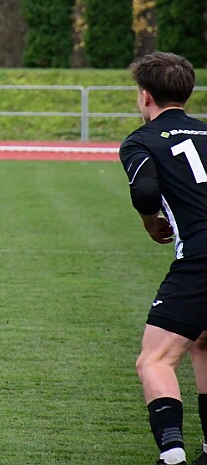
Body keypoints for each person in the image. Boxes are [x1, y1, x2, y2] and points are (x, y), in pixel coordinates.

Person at [119, 51, 207, 465]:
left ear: (146, 96)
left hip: (200, 258)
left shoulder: (141, 140)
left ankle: (172, 456)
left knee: (155, 359)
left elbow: (145, 192)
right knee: (202, 342)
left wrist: (149, 222)